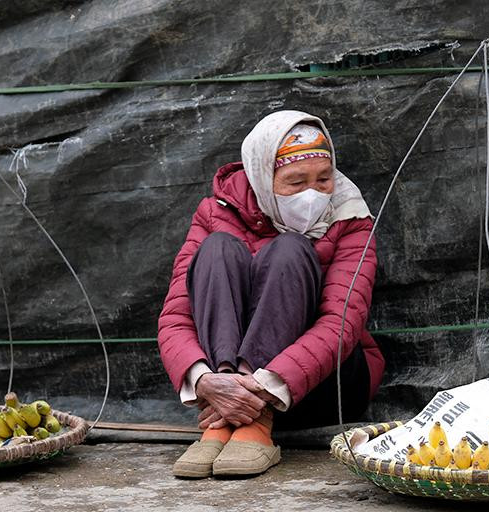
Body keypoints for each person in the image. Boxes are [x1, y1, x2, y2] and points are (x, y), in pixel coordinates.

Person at [157, 110, 385, 479]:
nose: (312, 193)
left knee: (290, 249)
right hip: (221, 387)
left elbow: (341, 322)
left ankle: (254, 424)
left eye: (323, 179)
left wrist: (262, 387)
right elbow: (177, 315)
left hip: (325, 385)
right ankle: (221, 424)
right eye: (296, 182)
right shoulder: (215, 213)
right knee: (216, 249)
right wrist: (205, 381)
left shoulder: (350, 216)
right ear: (263, 176)